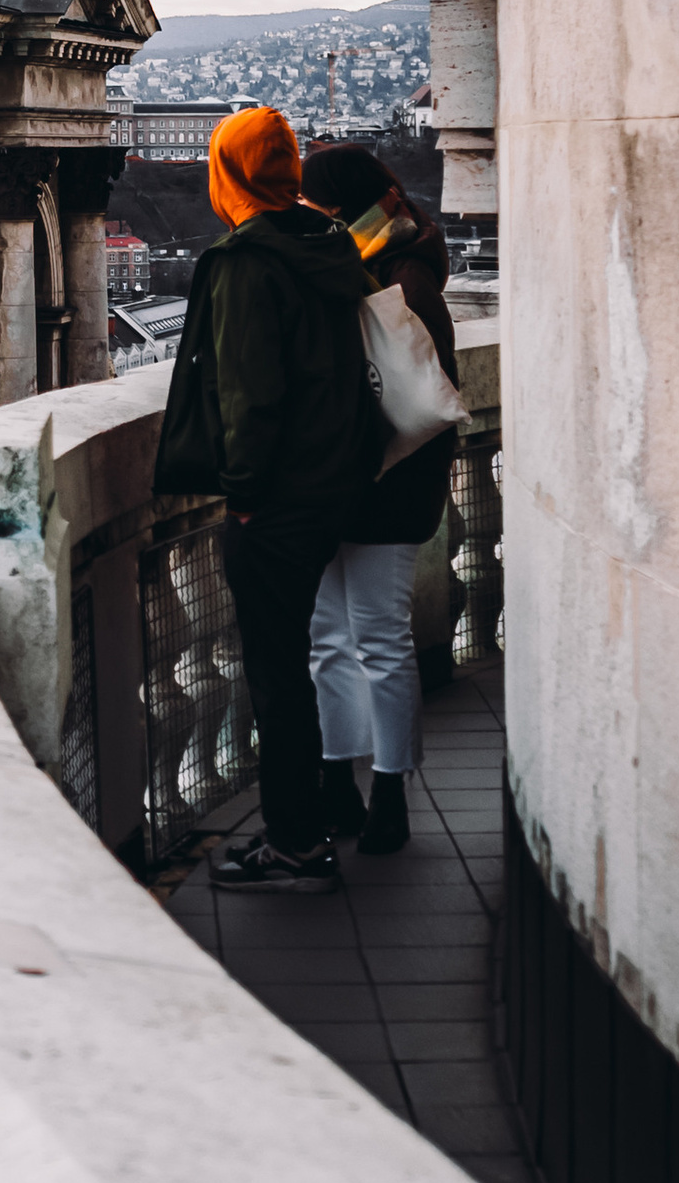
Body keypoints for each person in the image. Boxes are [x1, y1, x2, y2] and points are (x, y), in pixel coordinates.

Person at [155, 106, 383, 892]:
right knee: (301, 668)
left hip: (276, 499)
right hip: (331, 484)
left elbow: (250, 393)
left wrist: (245, 496)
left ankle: (295, 841)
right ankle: (318, 816)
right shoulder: (329, 242)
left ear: (231, 173)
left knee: (277, 678)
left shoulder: (247, 263)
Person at [297, 142, 459, 856]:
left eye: (320, 208)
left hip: (380, 480)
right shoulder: (397, 260)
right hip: (357, 478)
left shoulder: (398, 274)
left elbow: (417, 389)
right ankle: (348, 780)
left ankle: (385, 787)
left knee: (368, 639)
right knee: (339, 639)